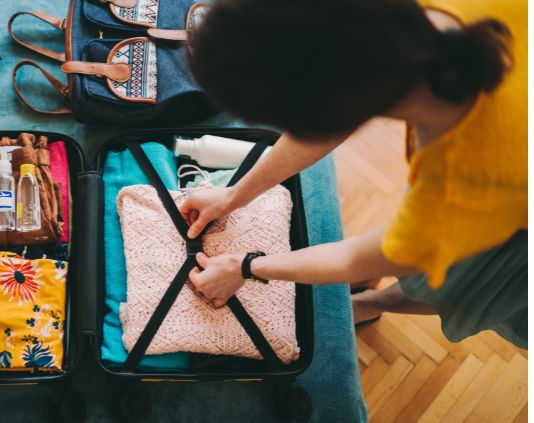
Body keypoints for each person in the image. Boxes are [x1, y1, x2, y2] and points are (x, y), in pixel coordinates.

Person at [182, 0, 527, 348]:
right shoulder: (386, 42)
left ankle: (368, 304)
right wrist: (233, 195)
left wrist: (245, 267)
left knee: (462, 287)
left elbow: (359, 257)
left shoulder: (460, 186)